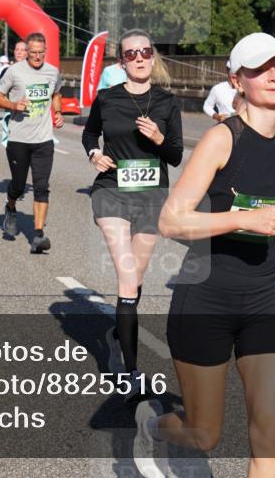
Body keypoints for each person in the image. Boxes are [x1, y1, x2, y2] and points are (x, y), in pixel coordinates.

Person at [133, 32, 275, 478]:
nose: (274, 75)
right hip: (206, 298)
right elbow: (171, 221)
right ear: (237, 80)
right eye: (260, 68)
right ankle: (152, 426)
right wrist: (241, 220)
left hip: (265, 298)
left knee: (269, 431)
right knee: (204, 434)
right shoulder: (221, 141)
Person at [82, 30, 182, 397]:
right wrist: (94, 154)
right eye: (131, 54)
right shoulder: (107, 99)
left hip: (151, 196)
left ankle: (115, 334)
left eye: (144, 52)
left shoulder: (168, 103)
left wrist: (158, 138)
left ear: (152, 57)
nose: (139, 58)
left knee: (135, 283)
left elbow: (175, 155)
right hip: (112, 192)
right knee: (127, 282)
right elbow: (89, 135)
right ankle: (131, 372)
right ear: (122, 61)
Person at [0, 32, 63, 253]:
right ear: (27, 52)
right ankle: (11, 207)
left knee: (42, 187)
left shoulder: (52, 72)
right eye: (33, 53)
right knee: (19, 185)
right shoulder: (14, 72)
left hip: (43, 139)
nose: (37, 56)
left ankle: (38, 234)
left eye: (41, 53)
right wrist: (14, 106)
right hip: (18, 138)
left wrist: (58, 113)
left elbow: (56, 94)